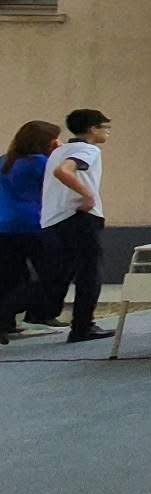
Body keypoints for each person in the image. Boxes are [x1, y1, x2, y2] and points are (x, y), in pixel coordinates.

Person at [39, 109, 115, 342]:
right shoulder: (88, 149)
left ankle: (22, 313)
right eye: (105, 128)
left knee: (60, 273)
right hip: (79, 218)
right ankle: (83, 326)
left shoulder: (59, 150)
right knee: (89, 273)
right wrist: (88, 195)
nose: (107, 133)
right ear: (93, 129)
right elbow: (64, 171)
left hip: (55, 220)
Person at [0, 121, 60, 342]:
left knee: (10, 276)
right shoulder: (41, 163)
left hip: (4, 225)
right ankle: (23, 312)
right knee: (52, 273)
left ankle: (6, 324)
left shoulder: (5, 161)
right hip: (34, 224)